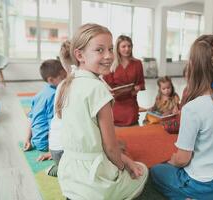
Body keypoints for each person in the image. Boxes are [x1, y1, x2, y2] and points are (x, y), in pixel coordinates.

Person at [56, 23, 148, 199]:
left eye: (110, 49)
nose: (108, 56)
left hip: (69, 176)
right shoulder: (97, 88)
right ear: (79, 55)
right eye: (100, 50)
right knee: (142, 170)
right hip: (94, 182)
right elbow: (111, 148)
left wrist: (125, 160)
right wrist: (122, 168)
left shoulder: (63, 85)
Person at [150, 34, 213, 200]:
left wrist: (172, 161)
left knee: (156, 171)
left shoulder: (193, 108)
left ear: (193, 66)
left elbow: (183, 159)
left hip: (201, 184)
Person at [38, 40, 74, 177]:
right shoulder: (69, 85)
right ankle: (60, 169)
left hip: (55, 149)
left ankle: (61, 166)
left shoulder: (61, 86)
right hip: (63, 151)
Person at [23, 59, 66, 152]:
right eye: (63, 78)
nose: (66, 80)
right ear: (51, 80)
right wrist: (52, 149)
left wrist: (27, 139)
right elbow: (53, 123)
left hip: (35, 140)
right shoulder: (55, 95)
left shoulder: (39, 94)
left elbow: (31, 118)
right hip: (46, 143)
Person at [103, 35, 145, 126]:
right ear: (118, 48)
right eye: (123, 46)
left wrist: (138, 87)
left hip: (131, 101)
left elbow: (141, 83)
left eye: (129, 46)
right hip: (116, 102)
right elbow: (107, 84)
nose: (127, 49)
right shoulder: (111, 64)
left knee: (132, 124)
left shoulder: (137, 63)